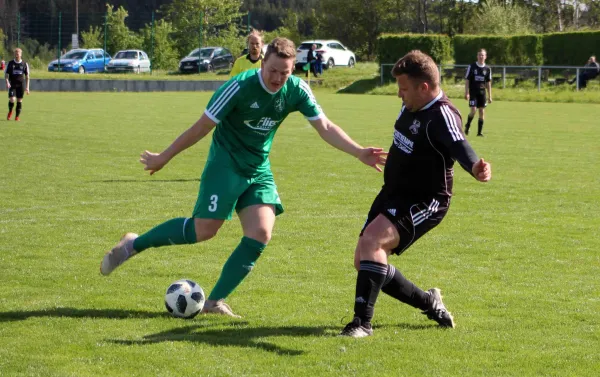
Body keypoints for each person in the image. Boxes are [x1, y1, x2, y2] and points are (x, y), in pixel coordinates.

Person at [100, 37, 387, 318]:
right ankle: (133, 244)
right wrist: (164, 156)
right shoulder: (238, 87)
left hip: (258, 168)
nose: (277, 78)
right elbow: (200, 127)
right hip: (225, 164)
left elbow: (324, 125)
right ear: (263, 62)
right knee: (205, 231)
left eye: (284, 73)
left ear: (293, 70)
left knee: (261, 232)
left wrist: (358, 151)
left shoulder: (297, 89)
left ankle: (214, 301)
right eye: (273, 70)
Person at [339, 50, 492, 338]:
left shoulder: (442, 114)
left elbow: (459, 144)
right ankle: (429, 302)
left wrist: (475, 166)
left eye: (404, 88)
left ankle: (361, 324)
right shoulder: (412, 106)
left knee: (373, 242)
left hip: (425, 200)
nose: (399, 94)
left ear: (424, 88)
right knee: (365, 261)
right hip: (394, 192)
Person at [464, 48, 492, 137]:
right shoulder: (472, 66)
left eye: (482, 55)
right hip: (473, 92)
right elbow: (467, 80)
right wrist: (466, 92)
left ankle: (479, 132)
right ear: (477, 56)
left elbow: (488, 83)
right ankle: (467, 125)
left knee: (481, 111)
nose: (481, 56)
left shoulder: (487, 69)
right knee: (473, 110)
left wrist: (490, 96)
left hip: (482, 93)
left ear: (485, 57)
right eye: (479, 55)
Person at [5, 48, 30, 121]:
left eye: (18, 53)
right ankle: (10, 112)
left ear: (21, 54)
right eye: (15, 53)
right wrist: (7, 82)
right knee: (12, 99)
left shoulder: (25, 64)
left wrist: (27, 87)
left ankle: (17, 117)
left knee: (19, 101)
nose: (17, 54)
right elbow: (6, 75)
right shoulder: (10, 63)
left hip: (21, 85)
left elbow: (27, 77)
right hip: (12, 85)